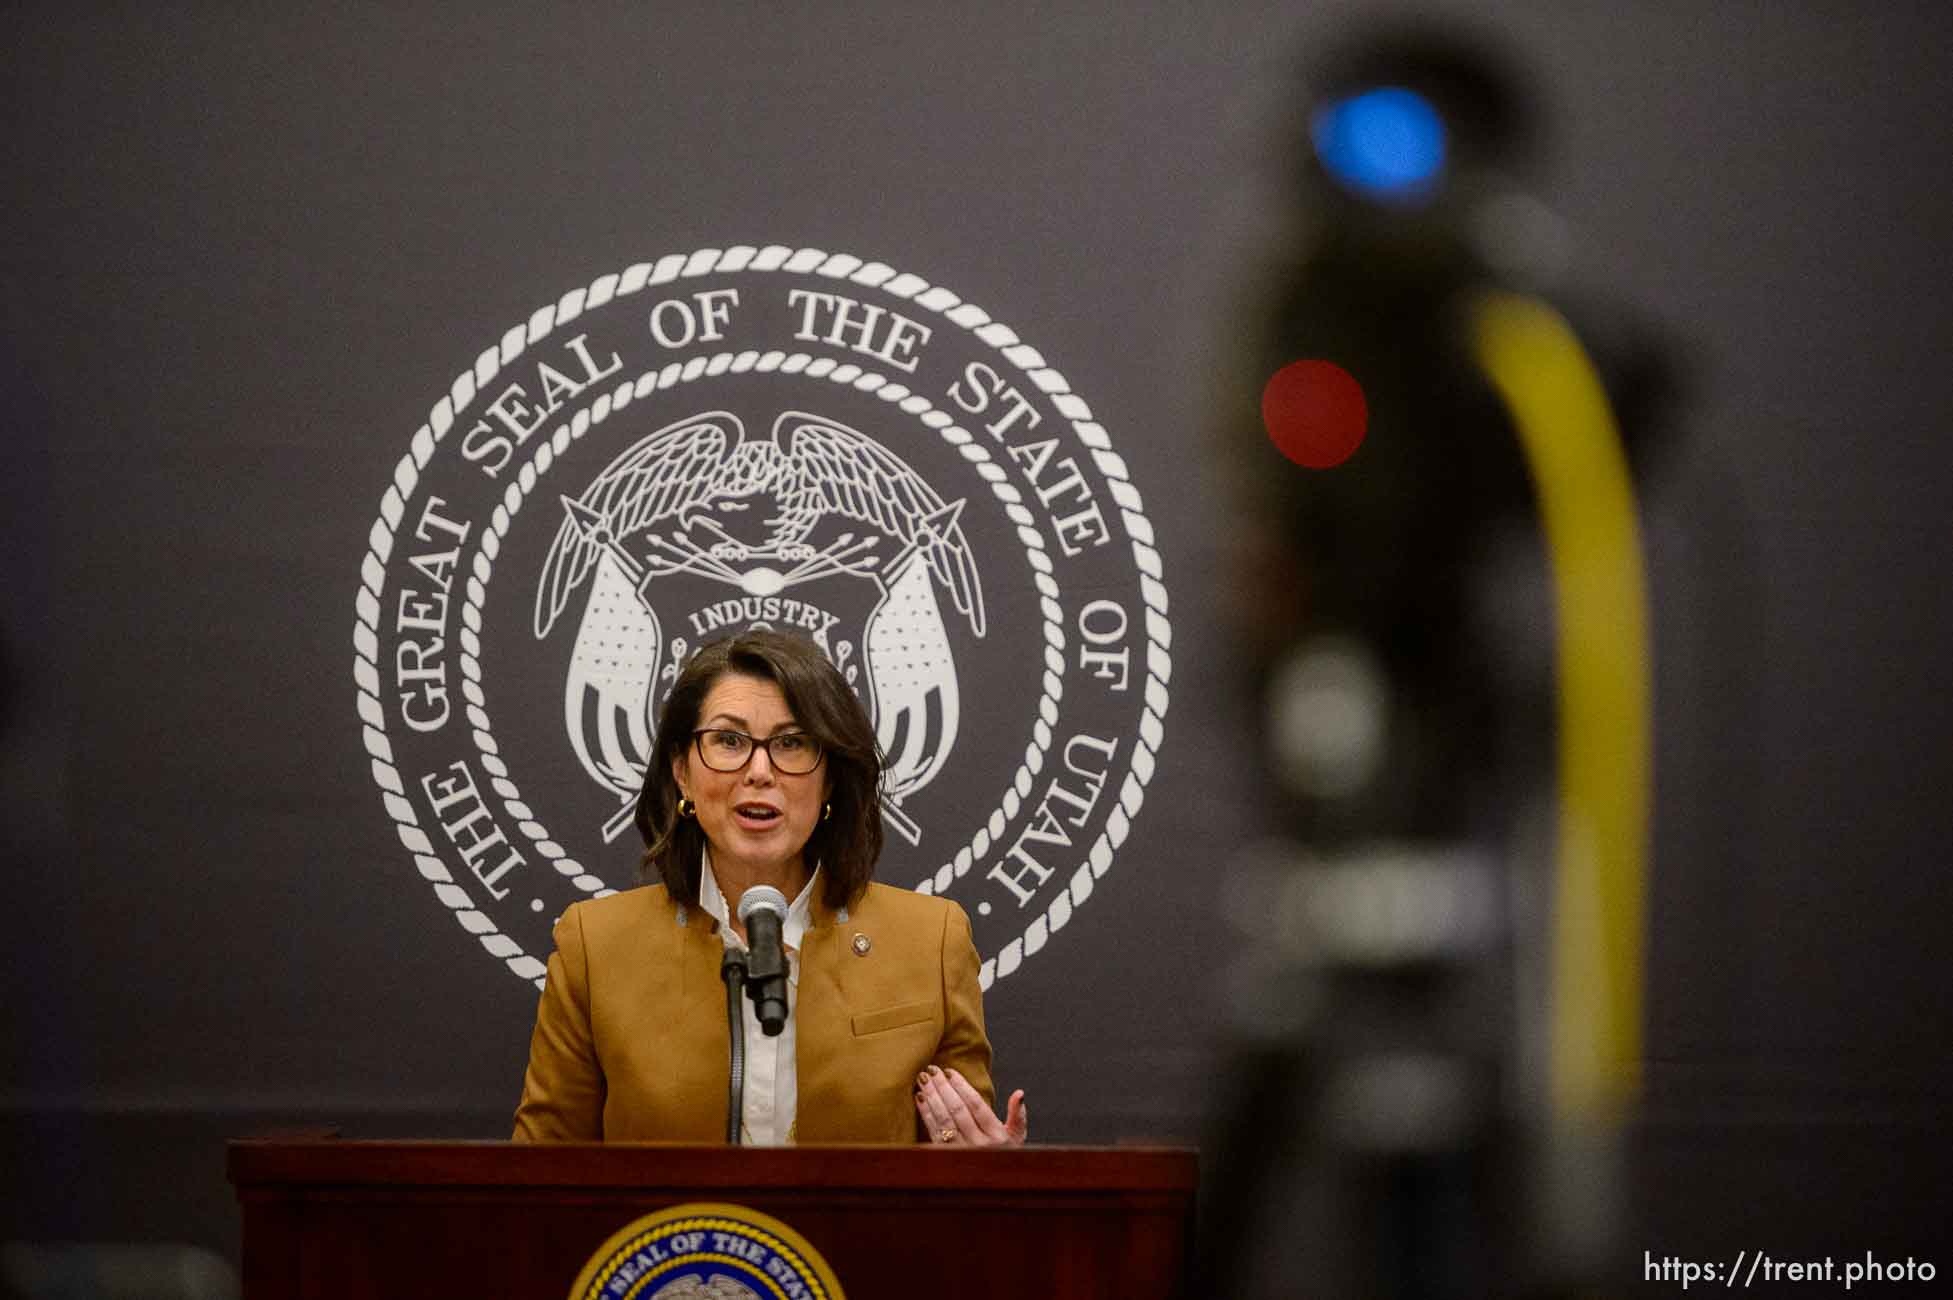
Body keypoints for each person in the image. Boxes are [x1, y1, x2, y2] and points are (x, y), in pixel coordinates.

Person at [512, 628, 1029, 1146]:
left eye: (792, 743)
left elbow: (965, 1156)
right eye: (729, 741)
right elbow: (539, 1184)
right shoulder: (595, 947)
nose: (759, 771)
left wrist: (988, 1177)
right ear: (682, 773)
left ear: (828, 780)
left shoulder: (931, 940)